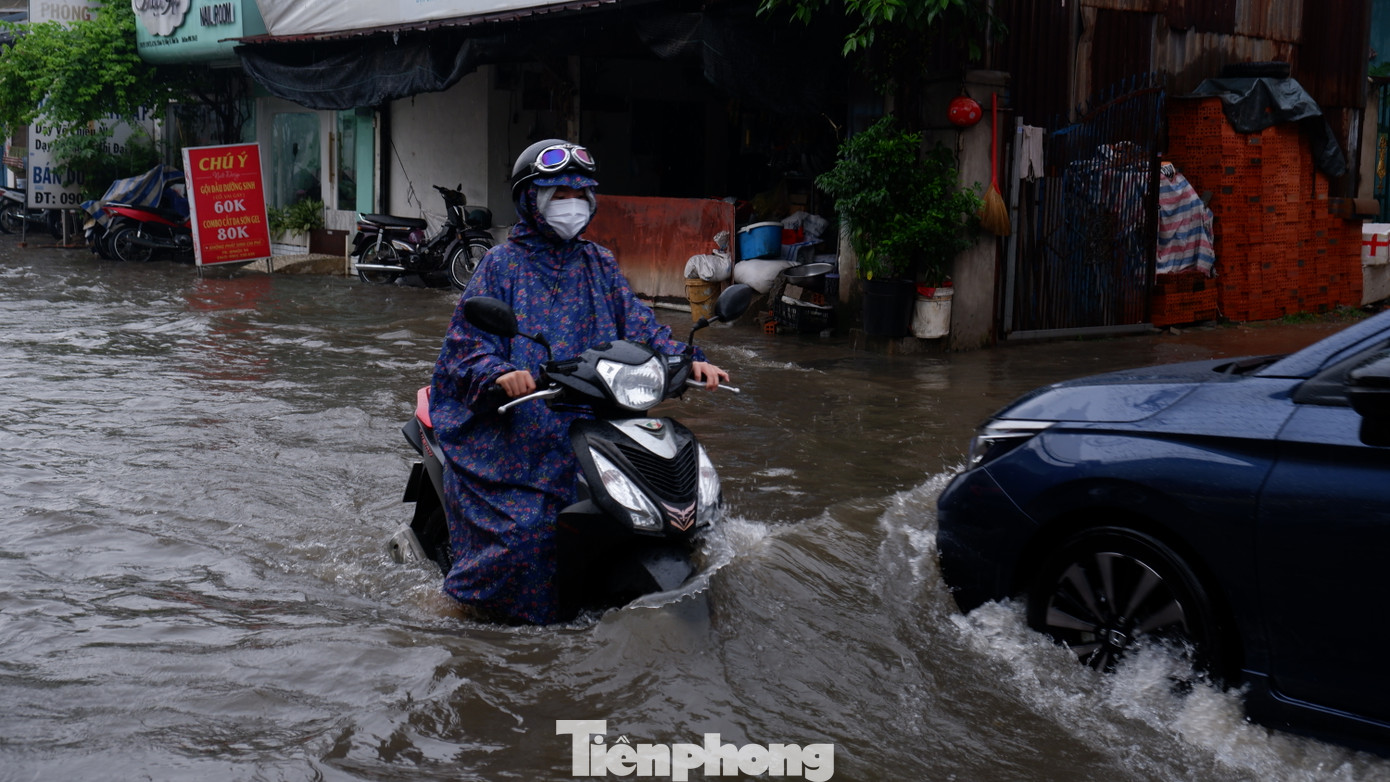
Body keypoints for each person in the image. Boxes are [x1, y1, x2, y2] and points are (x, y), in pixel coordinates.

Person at [428, 139, 729, 624]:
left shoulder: (599, 263)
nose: (571, 204)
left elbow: (639, 325)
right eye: (557, 193)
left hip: (595, 413)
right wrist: (500, 372)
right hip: (517, 421)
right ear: (531, 200)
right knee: (526, 532)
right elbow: (467, 345)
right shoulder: (500, 265)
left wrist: (687, 359)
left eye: (579, 194)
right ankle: (467, 608)